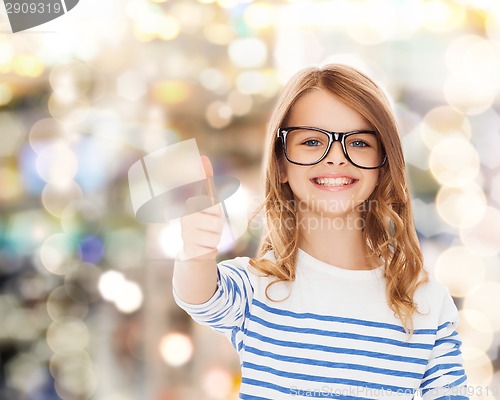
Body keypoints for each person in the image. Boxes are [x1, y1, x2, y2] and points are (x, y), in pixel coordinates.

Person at [172, 64, 468, 399]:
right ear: (281, 163)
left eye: (358, 143)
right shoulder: (255, 287)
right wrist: (196, 253)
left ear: (384, 165)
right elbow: (198, 296)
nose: (337, 158)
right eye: (313, 141)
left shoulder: (427, 302)